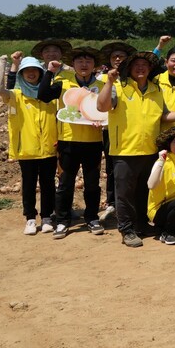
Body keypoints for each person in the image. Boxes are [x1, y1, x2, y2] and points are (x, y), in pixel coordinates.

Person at [96, 51, 175, 248]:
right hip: (124, 151)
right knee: (124, 194)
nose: (141, 68)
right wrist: (109, 82)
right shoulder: (119, 87)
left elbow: (164, 115)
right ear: (130, 68)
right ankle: (126, 230)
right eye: (136, 65)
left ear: (150, 69)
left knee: (144, 192)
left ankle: (141, 224)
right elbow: (102, 106)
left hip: (150, 149)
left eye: (145, 65)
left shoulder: (155, 90)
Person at [37, 45, 106, 239]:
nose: (84, 65)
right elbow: (43, 96)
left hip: (93, 141)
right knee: (65, 184)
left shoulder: (101, 86)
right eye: (80, 61)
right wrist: (49, 72)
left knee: (92, 184)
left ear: (94, 65)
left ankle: (92, 218)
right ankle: (62, 221)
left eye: (88, 61)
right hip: (68, 141)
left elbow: (109, 109)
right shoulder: (63, 82)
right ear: (73, 64)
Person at [0, 53, 58, 236]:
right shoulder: (16, 95)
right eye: (27, 71)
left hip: (48, 148)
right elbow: (0, 90)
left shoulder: (49, 95)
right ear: (22, 74)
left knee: (48, 184)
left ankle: (47, 217)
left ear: (40, 73)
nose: (31, 73)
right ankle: (30, 218)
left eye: (35, 70)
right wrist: (5, 64)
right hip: (27, 149)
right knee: (29, 184)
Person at [97, 41, 136, 222]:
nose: (118, 59)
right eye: (114, 57)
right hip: (109, 129)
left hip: (133, 128)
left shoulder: (134, 77)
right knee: (112, 167)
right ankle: (112, 202)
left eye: (121, 56)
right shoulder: (102, 79)